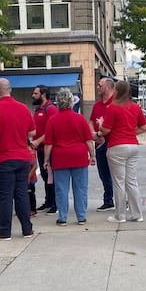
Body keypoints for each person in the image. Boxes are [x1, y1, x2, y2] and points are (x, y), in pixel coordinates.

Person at [0, 78, 35, 240]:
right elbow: (32, 133)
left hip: (2, 158)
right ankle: (27, 229)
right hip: (22, 157)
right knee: (21, 194)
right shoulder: (23, 108)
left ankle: (4, 230)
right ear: (10, 90)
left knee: (4, 196)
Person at [43, 88, 96, 226]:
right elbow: (88, 140)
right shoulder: (80, 119)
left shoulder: (52, 120)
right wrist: (92, 155)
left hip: (60, 158)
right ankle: (81, 216)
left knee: (61, 189)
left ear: (58, 103)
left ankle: (62, 217)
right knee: (80, 188)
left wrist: (46, 160)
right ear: (72, 102)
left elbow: (48, 144)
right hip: (79, 156)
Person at [99, 80, 146, 223]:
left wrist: (101, 125)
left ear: (117, 91)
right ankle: (137, 214)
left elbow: (106, 130)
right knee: (131, 181)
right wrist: (132, 133)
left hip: (117, 146)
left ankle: (120, 215)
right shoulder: (135, 107)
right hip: (133, 145)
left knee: (119, 182)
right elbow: (144, 126)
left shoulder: (113, 107)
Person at [89, 77, 116, 212]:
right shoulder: (97, 105)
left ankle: (122, 199)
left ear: (107, 87)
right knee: (103, 173)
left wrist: (101, 134)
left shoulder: (116, 103)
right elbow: (90, 121)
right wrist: (94, 134)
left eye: (100, 85)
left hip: (113, 142)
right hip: (100, 143)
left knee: (118, 173)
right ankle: (108, 200)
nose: (98, 88)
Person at [31, 84, 58, 214]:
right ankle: (49, 201)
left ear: (43, 95)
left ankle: (55, 203)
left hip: (50, 149)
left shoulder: (51, 109)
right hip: (40, 149)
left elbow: (52, 131)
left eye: (35, 93)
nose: (33, 95)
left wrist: (37, 141)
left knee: (52, 176)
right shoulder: (38, 110)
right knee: (45, 175)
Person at [28, 143, 38, 216]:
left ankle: (32, 209)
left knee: (30, 194)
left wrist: (28, 177)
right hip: (26, 177)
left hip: (30, 179)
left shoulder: (30, 153)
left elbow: (34, 166)